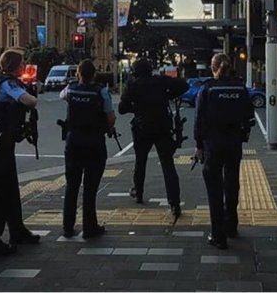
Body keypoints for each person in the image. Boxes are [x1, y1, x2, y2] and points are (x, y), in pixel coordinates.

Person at [0, 49, 40, 260]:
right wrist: (31, 93)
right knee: (1, 195)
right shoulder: (8, 83)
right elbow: (29, 101)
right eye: (22, 63)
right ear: (15, 65)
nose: (24, 67)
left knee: (11, 190)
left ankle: (17, 231)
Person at [193, 53, 254, 249]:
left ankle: (218, 235)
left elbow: (199, 120)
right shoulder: (240, 88)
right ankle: (231, 225)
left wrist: (199, 145)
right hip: (234, 142)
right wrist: (242, 135)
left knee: (214, 188)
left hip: (213, 143)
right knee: (232, 182)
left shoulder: (208, 88)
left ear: (214, 67)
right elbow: (249, 117)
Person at [118, 58, 188, 216]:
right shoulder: (160, 81)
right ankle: (174, 203)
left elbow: (122, 108)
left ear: (135, 72)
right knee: (168, 165)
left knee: (140, 161)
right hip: (162, 127)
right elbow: (184, 85)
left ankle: (139, 192)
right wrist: (168, 96)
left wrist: (135, 107)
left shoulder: (133, 85)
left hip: (142, 127)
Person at [59, 59, 115, 239]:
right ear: (94, 74)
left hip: (73, 141)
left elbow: (62, 96)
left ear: (78, 73)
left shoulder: (70, 89)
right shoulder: (102, 92)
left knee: (72, 186)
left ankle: (68, 227)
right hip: (94, 143)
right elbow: (111, 118)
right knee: (90, 188)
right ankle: (90, 227)